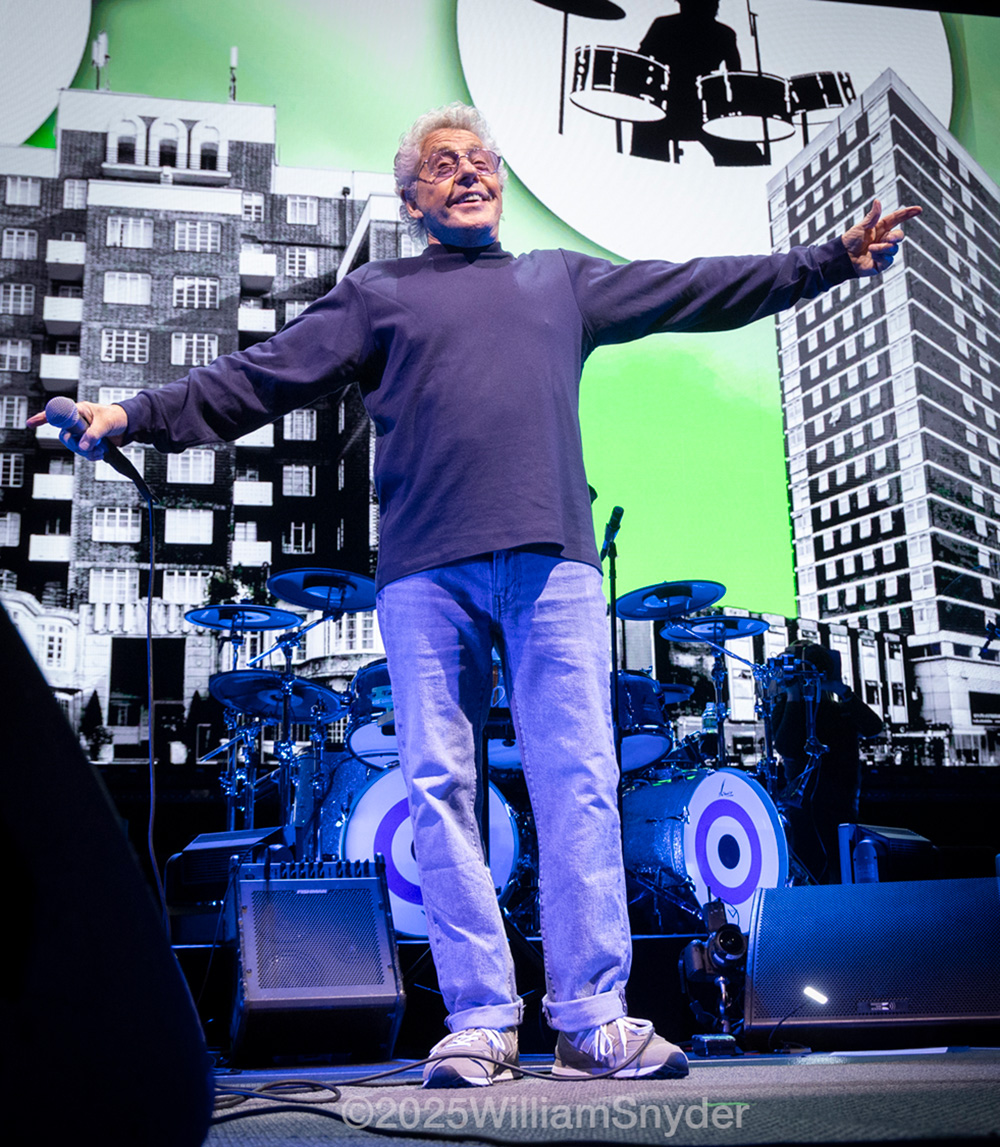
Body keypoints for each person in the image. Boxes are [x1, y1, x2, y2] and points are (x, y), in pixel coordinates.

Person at [30, 102, 920, 1088]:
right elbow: (260, 376)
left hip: (552, 563)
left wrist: (830, 260)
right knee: (440, 789)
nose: (467, 173)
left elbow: (692, 287)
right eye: (443, 163)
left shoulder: (559, 281)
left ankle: (591, 1019)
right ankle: (481, 1019)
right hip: (425, 571)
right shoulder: (377, 294)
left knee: (578, 780)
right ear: (412, 198)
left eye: (480, 160)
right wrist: (131, 414)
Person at [770, 642, 884, 884]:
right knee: (807, 872)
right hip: (802, 811)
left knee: (843, 872)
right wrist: (793, 695)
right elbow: (787, 747)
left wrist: (840, 689)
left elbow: (874, 727)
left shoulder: (840, 711)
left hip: (840, 807)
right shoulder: (787, 708)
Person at [631, 0, 762, 167]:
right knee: (746, 155)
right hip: (706, 105)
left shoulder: (664, 25)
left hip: (668, 102)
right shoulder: (724, 33)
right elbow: (735, 76)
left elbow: (640, 63)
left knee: (645, 145)